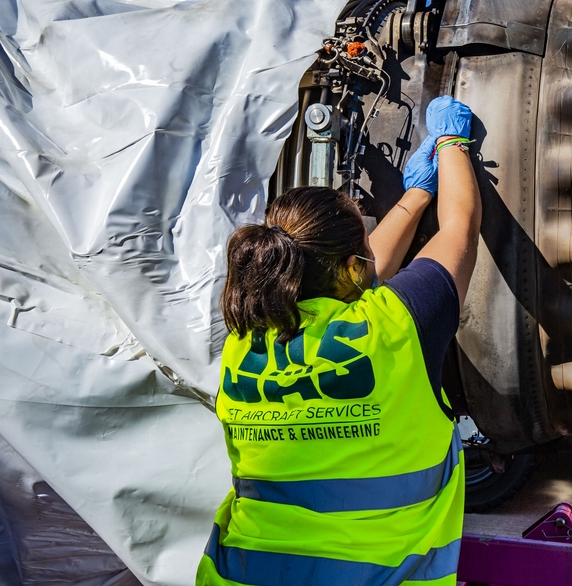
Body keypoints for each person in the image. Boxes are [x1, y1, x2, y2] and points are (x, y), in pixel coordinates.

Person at [196, 95, 481, 586]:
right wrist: (452, 142)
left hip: (241, 573)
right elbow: (459, 230)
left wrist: (416, 196)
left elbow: (362, 274)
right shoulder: (396, 325)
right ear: (353, 268)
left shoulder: (243, 343)